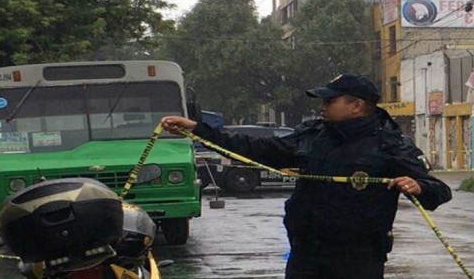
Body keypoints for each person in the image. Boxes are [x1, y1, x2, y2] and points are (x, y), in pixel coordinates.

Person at [161, 74, 451, 279]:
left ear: (357, 105)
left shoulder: (389, 144)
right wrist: (197, 129)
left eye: (330, 100)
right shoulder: (312, 136)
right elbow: (257, 148)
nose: (322, 106)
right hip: (306, 252)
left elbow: (437, 191)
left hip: (358, 257)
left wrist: (416, 186)